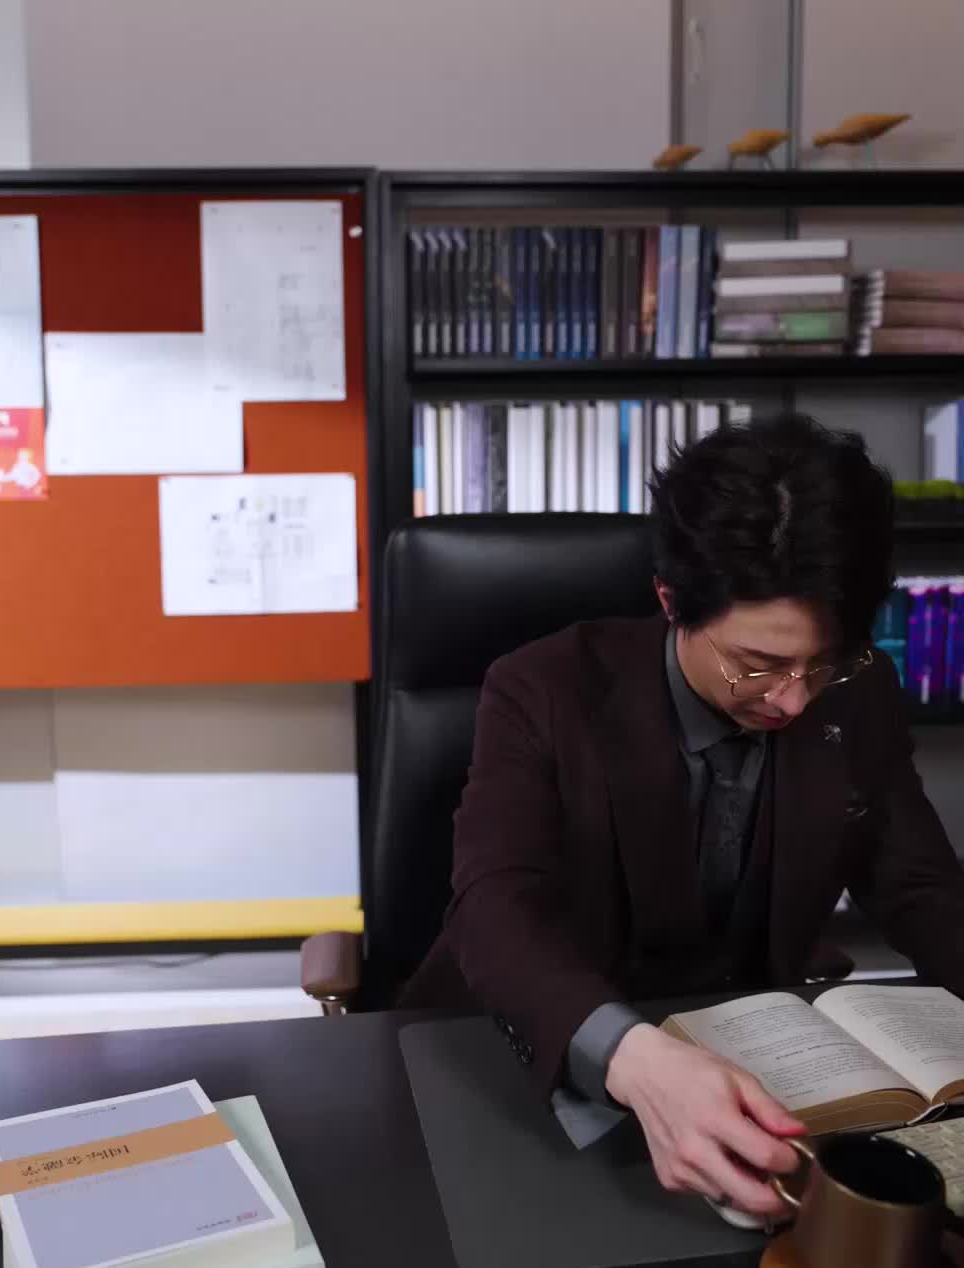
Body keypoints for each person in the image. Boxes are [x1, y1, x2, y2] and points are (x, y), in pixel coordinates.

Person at [403, 414, 964, 1220]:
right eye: (758, 665)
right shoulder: (543, 687)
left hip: (758, 1063)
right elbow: (493, 905)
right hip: (541, 1058)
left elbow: (921, 887)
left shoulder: (859, 691)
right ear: (671, 601)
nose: (793, 701)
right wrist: (632, 1057)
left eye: (823, 663)